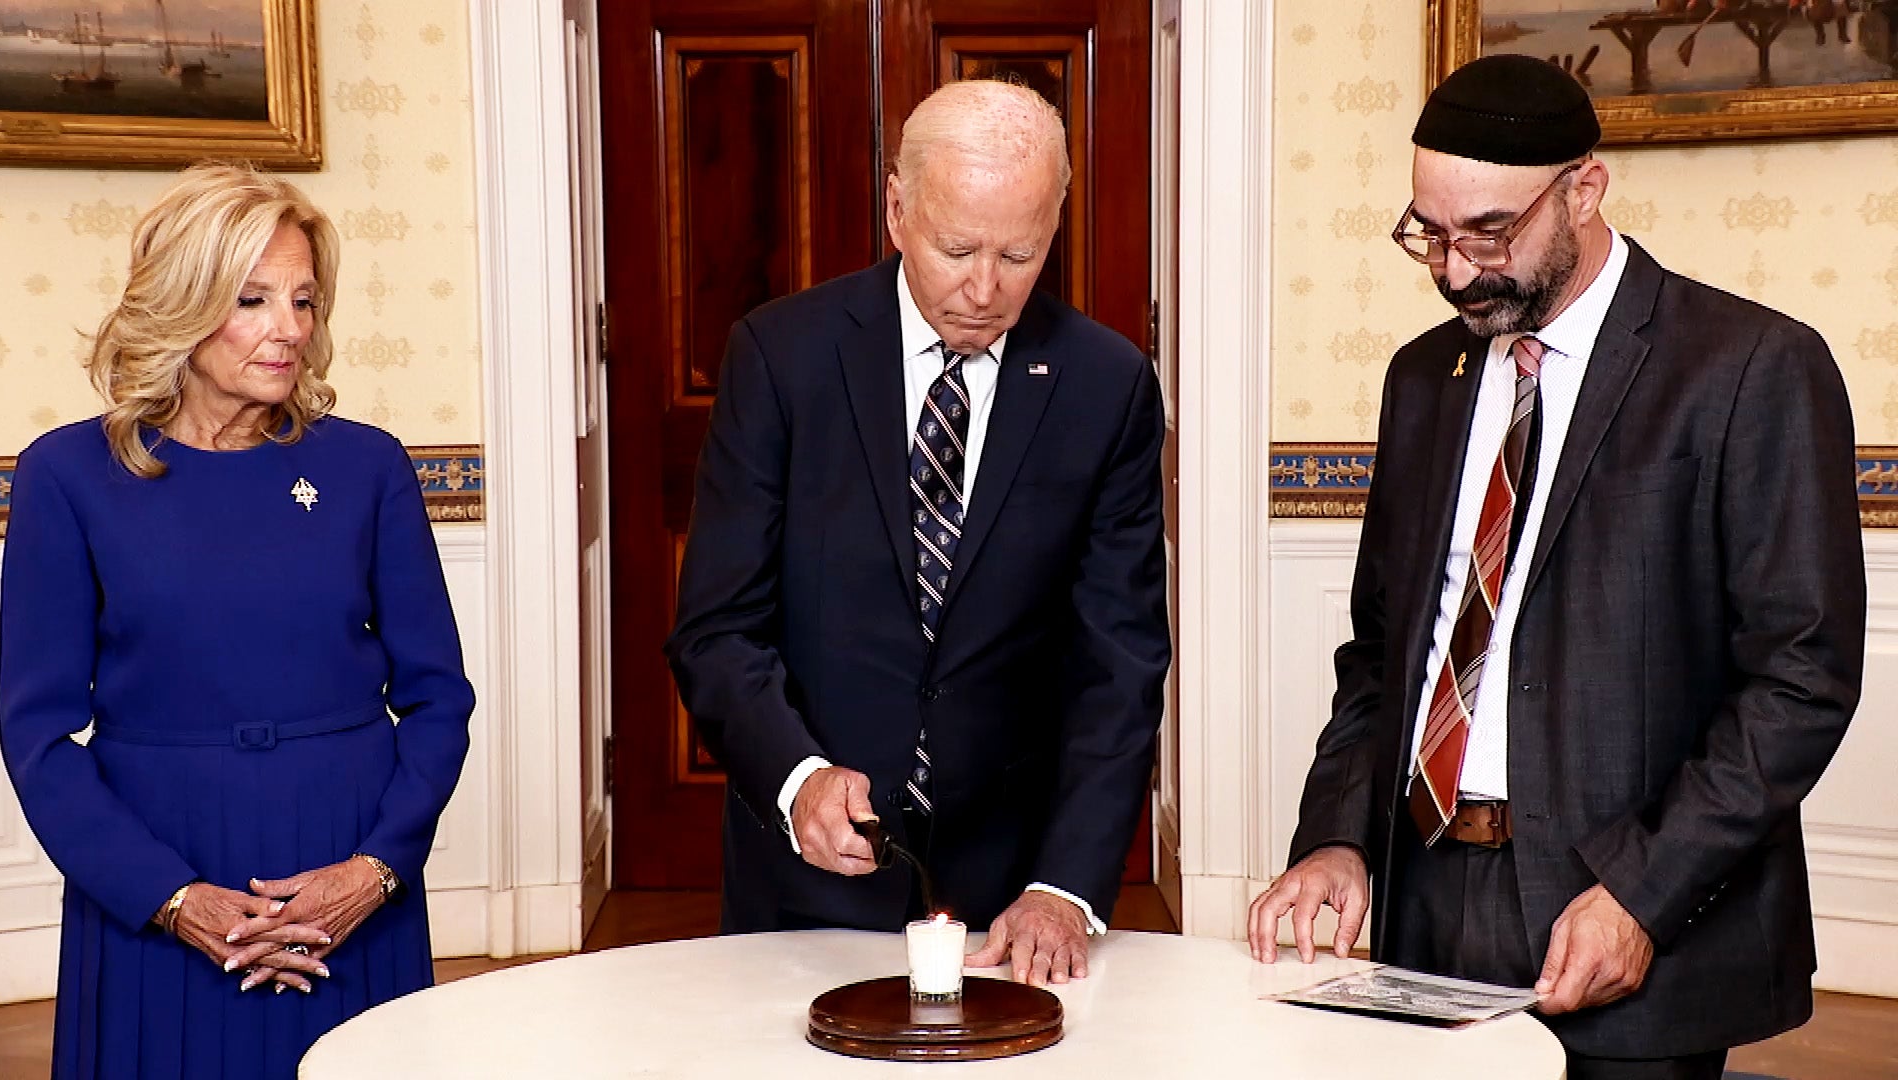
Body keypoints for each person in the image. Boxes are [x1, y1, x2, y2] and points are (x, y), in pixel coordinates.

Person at [1247, 55, 1864, 1080]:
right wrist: (1335, 839)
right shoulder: (1423, 378)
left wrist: (1643, 895)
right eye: (1429, 235)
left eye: (1488, 232)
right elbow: (1386, 652)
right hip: (1426, 898)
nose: (1453, 271)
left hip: (1619, 911)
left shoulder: (1751, 367)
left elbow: (1801, 679)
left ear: (1583, 189)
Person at [666, 79, 1169, 987]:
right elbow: (717, 629)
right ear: (897, 209)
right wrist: (797, 779)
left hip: (1017, 894)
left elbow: (1119, 663)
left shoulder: (1108, 385)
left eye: (1021, 253)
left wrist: (1067, 884)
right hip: (808, 873)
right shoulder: (780, 357)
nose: (984, 289)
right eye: (956, 248)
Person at [0, 162, 474, 1078]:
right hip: (152, 861)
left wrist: (375, 871)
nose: (290, 329)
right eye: (253, 300)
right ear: (180, 302)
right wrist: (171, 898)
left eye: (304, 300)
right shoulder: (64, 476)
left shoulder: (367, 467)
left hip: (348, 858)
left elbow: (438, 699)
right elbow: (38, 737)